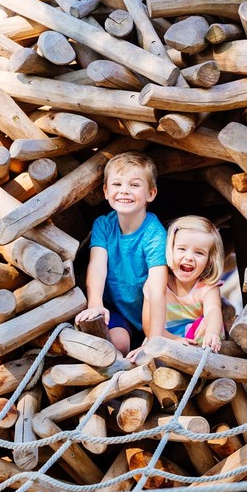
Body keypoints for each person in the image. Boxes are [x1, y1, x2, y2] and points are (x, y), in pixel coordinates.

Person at [75, 151, 168, 356]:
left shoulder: (155, 234)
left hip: (149, 313)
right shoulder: (104, 225)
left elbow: (157, 289)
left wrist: (154, 338)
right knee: (117, 345)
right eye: (117, 185)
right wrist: (96, 305)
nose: (124, 191)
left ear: (151, 194)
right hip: (116, 308)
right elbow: (97, 266)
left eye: (134, 185)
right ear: (106, 191)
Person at [143, 215, 225, 353]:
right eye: (182, 249)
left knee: (206, 325)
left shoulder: (207, 287)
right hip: (165, 337)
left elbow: (213, 310)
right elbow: (148, 325)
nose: (189, 257)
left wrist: (213, 332)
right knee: (149, 343)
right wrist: (174, 340)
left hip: (196, 340)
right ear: (170, 250)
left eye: (199, 253)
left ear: (209, 261)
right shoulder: (155, 283)